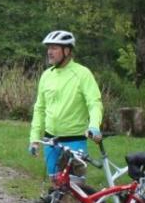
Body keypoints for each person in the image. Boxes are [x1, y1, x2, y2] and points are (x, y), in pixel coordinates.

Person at [28, 30, 103, 178]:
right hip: (50, 142)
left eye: (54, 48)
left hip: (74, 142)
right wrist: (34, 139)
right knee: (56, 186)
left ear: (67, 51)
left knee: (75, 188)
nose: (49, 52)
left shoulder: (82, 74)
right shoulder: (46, 75)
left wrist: (94, 126)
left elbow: (94, 103)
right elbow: (39, 109)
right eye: (49, 48)